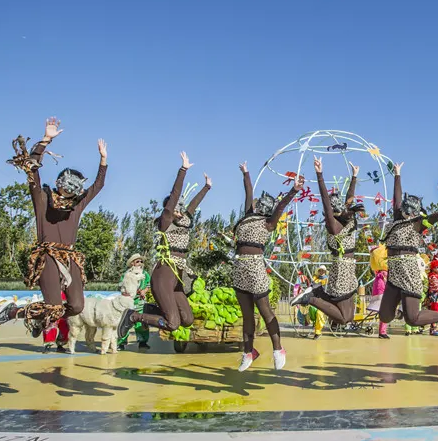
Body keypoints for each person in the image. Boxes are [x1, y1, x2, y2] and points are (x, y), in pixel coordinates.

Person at [0, 118, 108, 335]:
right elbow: (32, 169)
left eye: (74, 187)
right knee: (53, 307)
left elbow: (98, 185)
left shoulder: (77, 205)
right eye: (66, 185)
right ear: (59, 182)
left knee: (77, 306)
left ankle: (39, 319)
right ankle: (12, 312)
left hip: (70, 257)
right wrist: (45, 140)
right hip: (48, 256)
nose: (69, 190)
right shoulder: (42, 198)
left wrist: (103, 160)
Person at [117, 153, 211, 342]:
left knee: (187, 320)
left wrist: (207, 187)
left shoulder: (185, 221)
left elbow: (193, 205)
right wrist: (183, 170)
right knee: (173, 323)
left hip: (179, 274)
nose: (179, 208)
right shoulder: (166, 221)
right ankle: (133, 316)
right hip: (165, 271)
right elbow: (175, 194)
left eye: (181, 206)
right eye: (175, 206)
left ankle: (149, 309)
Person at [378, 163, 438, 333]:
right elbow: (397, 198)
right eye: (405, 209)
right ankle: (402, 311)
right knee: (384, 316)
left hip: (409, 272)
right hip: (394, 273)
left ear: (416, 212)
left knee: (413, 319)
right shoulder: (397, 220)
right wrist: (397, 174)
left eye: (411, 211)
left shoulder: (418, 223)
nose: (407, 212)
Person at [233, 161, 303, 371]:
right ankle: (248, 352)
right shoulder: (247, 217)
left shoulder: (268, 223)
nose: (259, 204)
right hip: (239, 268)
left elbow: (281, 207)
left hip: (255, 268)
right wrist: (246, 172)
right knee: (247, 315)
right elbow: (248, 193)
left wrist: (293, 191)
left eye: (264, 203)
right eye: (259, 202)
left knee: (265, 310)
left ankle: (278, 349)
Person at [290, 158, 365, 339]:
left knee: (348, 317)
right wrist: (319, 174)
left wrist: (354, 177)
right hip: (342, 270)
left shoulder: (346, 219)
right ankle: (312, 297)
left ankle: (316, 292)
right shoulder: (334, 225)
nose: (343, 206)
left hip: (348, 269)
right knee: (344, 318)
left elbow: (349, 199)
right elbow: (325, 199)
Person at [117, 254, 152, 350]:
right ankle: (121, 343)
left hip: (140, 302)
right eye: (137, 261)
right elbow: (121, 286)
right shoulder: (126, 274)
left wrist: (144, 291)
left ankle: (143, 342)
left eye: (141, 261)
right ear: (132, 263)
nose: (140, 263)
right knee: (125, 322)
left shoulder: (145, 274)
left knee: (141, 322)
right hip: (128, 302)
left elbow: (149, 285)